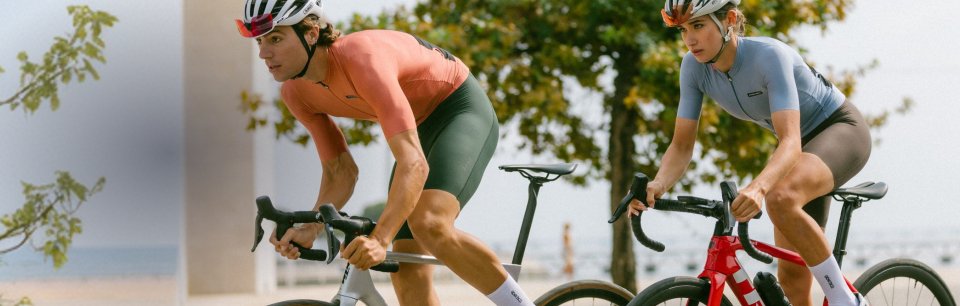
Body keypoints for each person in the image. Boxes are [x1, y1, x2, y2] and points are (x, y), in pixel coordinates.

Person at [235, 1, 533, 305]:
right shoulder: (295, 93)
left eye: (275, 38)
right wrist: (311, 228)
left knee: (429, 223)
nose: (263, 53)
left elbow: (413, 163)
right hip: (419, 127)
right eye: (260, 41)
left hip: (459, 108)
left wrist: (380, 239)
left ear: (311, 33)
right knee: (405, 267)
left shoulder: (362, 60)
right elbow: (341, 171)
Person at [631, 1, 871, 306]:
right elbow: (681, 146)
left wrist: (759, 187)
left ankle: (847, 301)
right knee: (793, 278)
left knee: (779, 198)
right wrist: (658, 184)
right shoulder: (693, 68)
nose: (689, 39)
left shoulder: (770, 56)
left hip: (840, 130)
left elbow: (790, 141)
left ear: (729, 20)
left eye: (699, 26)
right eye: (683, 29)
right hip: (799, 147)